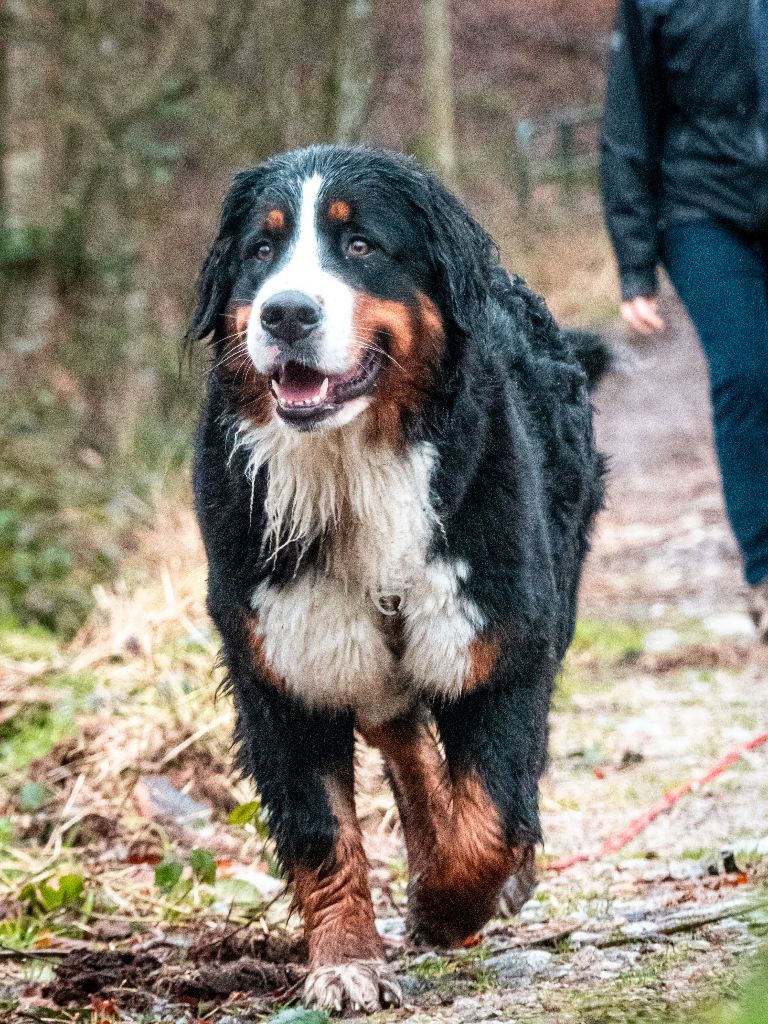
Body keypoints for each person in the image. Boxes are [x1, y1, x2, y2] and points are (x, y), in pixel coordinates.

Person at [601, 0, 768, 640]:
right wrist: (635, 264)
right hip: (702, 209)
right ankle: (764, 566)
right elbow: (627, 124)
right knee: (746, 372)